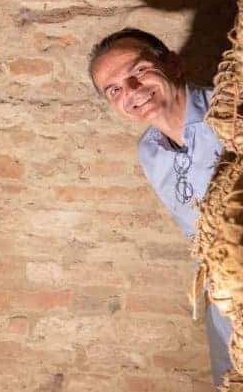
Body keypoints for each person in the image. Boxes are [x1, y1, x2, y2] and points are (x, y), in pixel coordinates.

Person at [89, 28, 232, 386]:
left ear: (173, 64)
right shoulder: (149, 151)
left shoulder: (231, 114)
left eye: (138, 71)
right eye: (115, 90)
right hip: (225, 300)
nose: (132, 91)